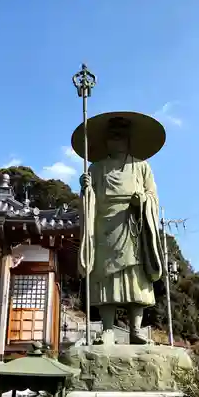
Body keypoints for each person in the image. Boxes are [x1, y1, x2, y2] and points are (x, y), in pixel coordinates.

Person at [71, 112, 165, 344]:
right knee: (106, 279)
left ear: (128, 140)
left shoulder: (141, 166)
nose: (116, 140)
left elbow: (153, 196)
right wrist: (86, 190)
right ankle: (107, 329)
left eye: (121, 136)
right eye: (112, 136)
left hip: (133, 224)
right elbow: (89, 199)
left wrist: (142, 200)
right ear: (106, 141)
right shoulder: (95, 168)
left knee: (136, 277)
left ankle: (136, 329)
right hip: (105, 225)